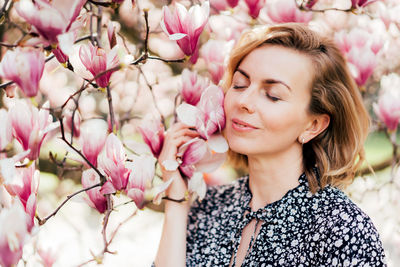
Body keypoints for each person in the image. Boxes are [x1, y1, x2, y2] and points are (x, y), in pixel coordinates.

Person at [154, 23, 387, 266]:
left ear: (313, 125)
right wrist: (176, 202)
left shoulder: (342, 229)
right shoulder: (209, 206)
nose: (243, 101)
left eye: (273, 95)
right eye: (240, 84)